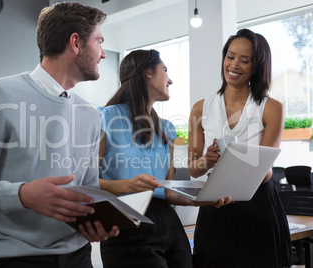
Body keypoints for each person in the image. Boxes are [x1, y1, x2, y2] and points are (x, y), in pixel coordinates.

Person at [0, 3, 119, 268]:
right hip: (11, 259)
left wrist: (95, 223)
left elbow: (89, 190)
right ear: (75, 43)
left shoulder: (90, 114)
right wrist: (23, 195)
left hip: (78, 258)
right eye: (99, 42)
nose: (103, 54)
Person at [97, 49, 231, 268]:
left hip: (169, 226)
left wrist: (204, 198)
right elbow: (86, 182)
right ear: (148, 73)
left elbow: (168, 192)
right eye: (165, 70)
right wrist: (128, 184)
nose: (170, 79)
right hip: (127, 225)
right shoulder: (104, 118)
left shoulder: (166, 129)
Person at [187, 29, 291, 267]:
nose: (234, 65)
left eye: (245, 60)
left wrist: (234, 156)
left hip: (259, 207)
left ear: (257, 66)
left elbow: (265, 174)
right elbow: (193, 169)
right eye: (230, 56)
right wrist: (208, 160)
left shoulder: (271, 107)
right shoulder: (200, 109)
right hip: (216, 205)